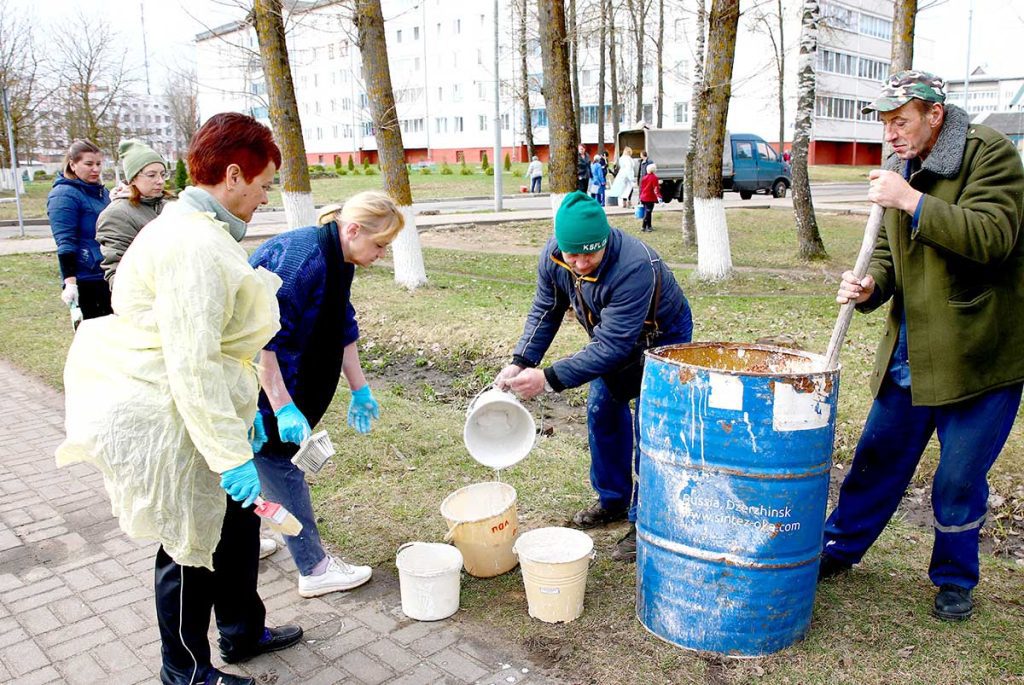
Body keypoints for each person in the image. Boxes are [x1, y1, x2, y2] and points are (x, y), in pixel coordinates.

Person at [56, 112, 303, 685]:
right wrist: (228, 450)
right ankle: (186, 672)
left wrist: (245, 421)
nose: (266, 198)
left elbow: (217, 347)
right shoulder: (190, 241)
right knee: (190, 543)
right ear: (235, 175)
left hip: (207, 408)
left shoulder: (203, 229)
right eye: (265, 185)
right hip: (175, 414)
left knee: (236, 528)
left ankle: (242, 630)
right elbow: (192, 364)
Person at [820, 71, 1024, 622]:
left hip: (979, 355)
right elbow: (892, 257)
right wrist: (869, 287)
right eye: (885, 123)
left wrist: (912, 200)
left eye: (900, 121)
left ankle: (954, 579)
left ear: (935, 114)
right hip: (911, 353)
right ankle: (838, 551)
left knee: (958, 478)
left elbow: (992, 236)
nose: (891, 133)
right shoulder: (898, 169)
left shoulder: (991, 154)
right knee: (875, 461)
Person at [494, 191, 693, 562]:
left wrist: (549, 378)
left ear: (605, 242)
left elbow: (613, 347)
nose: (581, 263)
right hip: (614, 337)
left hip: (665, 337)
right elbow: (546, 310)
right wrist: (521, 361)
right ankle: (613, 500)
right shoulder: (555, 256)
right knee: (602, 411)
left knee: (652, 425)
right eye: (574, 255)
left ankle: (644, 520)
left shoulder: (634, 266)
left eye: (591, 254)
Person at [248, 191, 405, 598]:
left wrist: (360, 388)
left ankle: (242, 543)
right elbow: (264, 339)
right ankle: (314, 568)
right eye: (380, 245)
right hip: (259, 385)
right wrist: (281, 407)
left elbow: (341, 323)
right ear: (353, 229)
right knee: (280, 466)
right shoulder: (302, 262)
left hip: (294, 384)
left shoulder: (341, 257)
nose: (382, 255)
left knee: (249, 467)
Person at [47, 139, 112, 320]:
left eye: (99, 164)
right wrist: (70, 283)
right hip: (87, 279)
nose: (96, 169)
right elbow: (65, 242)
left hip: (106, 273)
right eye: (89, 164)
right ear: (73, 164)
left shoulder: (101, 193)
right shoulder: (63, 195)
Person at [95, 139, 173, 286]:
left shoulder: (169, 206)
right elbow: (116, 271)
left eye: (163, 174)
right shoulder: (117, 214)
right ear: (133, 178)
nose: (160, 181)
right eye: (152, 175)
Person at [638, 163, 663, 232]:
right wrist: (659, 197)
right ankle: (644, 226)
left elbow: (642, 187)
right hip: (650, 197)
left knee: (648, 212)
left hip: (643, 197)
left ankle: (649, 225)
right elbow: (656, 189)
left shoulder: (644, 177)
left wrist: (640, 197)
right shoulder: (654, 178)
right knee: (648, 212)